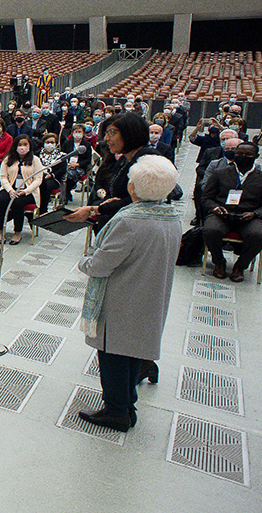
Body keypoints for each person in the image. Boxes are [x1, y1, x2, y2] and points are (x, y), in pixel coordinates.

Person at [76, 156, 181, 432]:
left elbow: (101, 264)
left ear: (135, 187)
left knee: (112, 354)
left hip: (123, 297)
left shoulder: (130, 221)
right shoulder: (171, 217)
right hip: (151, 293)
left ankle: (116, 410)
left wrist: (83, 262)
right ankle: (128, 404)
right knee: (133, 353)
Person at [201, 141, 262, 282]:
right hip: (223, 215)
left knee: (258, 234)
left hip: (249, 217)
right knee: (211, 230)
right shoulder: (219, 173)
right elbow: (206, 198)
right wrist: (215, 208)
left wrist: (255, 214)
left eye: (248, 154)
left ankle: (240, 266)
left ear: (256, 156)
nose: (243, 157)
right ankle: (218, 262)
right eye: (240, 154)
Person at [0, 134, 43, 245]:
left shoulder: (35, 160)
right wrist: (10, 190)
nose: (22, 147)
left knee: (17, 203)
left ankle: (17, 232)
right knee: (2, 200)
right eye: (20, 145)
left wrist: (26, 191)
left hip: (28, 191)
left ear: (29, 146)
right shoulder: (8, 159)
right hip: (10, 188)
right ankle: (1, 230)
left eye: (25, 144)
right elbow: (3, 177)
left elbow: (38, 179)